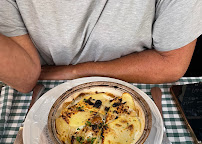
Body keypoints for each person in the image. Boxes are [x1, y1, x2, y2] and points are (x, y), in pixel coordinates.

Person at [0, 0, 201, 93]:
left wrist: (76, 72)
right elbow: (26, 79)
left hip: (141, 88)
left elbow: (172, 63)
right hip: (45, 89)